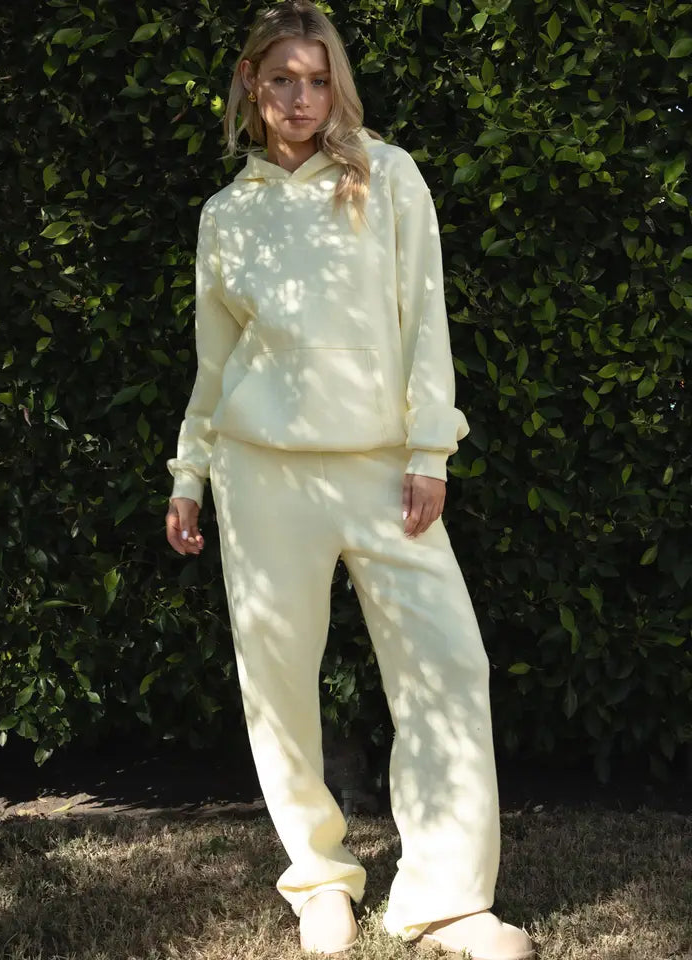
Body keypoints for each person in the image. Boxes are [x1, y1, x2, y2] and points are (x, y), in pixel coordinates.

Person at [165, 3, 534, 958]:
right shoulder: (226, 215)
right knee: (277, 684)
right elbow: (215, 362)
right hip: (260, 475)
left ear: (339, 85)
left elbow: (424, 318)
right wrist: (189, 474)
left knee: (447, 665)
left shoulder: (389, 175)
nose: (302, 99)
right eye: (282, 79)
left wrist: (428, 451)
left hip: (381, 471)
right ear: (250, 83)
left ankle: (447, 901)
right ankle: (320, 877)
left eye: (319, 80)